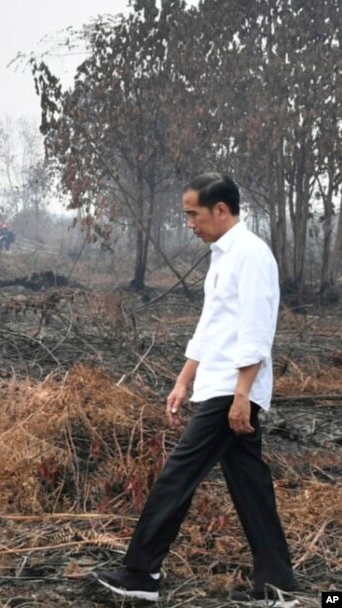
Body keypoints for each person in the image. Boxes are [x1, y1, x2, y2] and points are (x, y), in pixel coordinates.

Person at [96, 174, 296, 607]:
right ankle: (277, 586)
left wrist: (243, 394)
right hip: (217, 384)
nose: (188, 222)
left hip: (232, 389)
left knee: (178, 475)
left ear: (220, 210)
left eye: (193, 213)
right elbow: (211, 327)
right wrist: (184, 380)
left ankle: (141, 573)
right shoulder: (222, 257)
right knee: (250, 485)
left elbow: (256, 331)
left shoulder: (252, 255)